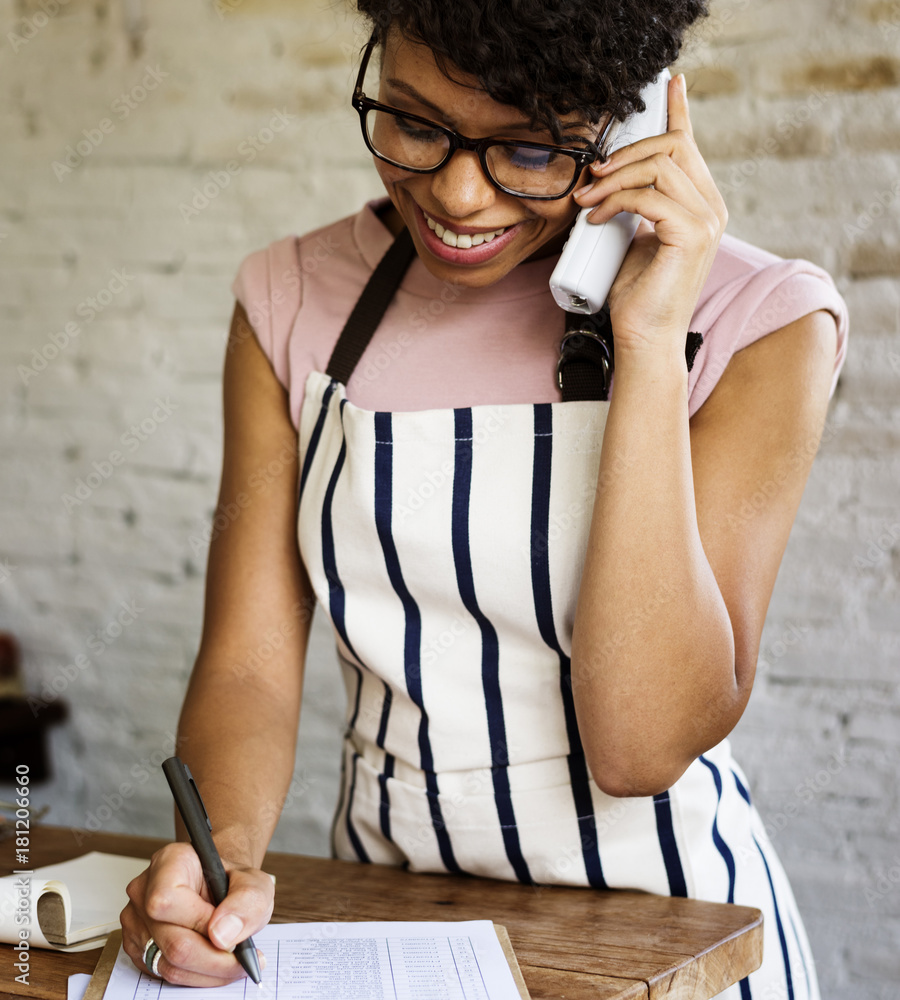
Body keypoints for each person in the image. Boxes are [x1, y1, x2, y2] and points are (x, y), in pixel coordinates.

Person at [120, 2, 849, 997]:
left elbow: (639, 745)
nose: (458, 193)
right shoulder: (292, 303)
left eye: (533, 149)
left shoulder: (761, 327)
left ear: (627, 126)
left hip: (673, 951)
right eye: (416, 123)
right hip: (393, 937)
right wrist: (222, 866)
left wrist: (644, 339)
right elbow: (248, 663)